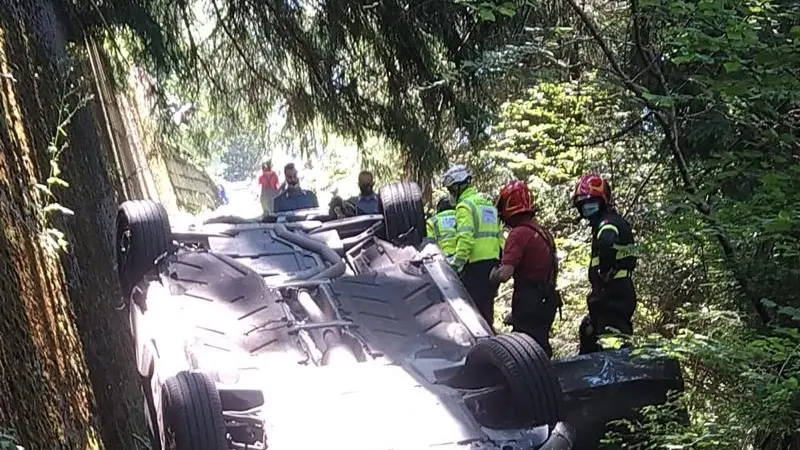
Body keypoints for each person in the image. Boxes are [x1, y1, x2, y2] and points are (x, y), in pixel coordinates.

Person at [489, 181, 561, 357]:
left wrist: (492, 276)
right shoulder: (543, 232)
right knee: (541, 346)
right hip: (548, 298)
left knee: (527, 354)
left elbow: (506, 274)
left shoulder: (519, 234)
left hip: (530, 300)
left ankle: (537, 383)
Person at [571, 173, 637, 354]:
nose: (586, 208)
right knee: (592, 334)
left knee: (613, 342)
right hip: (610, 294)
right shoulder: (613, 221)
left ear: (603, 201)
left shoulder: (608, 223)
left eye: (591, 202)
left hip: (613, 294)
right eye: (583, 204)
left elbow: (608, 241)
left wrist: (605, 270)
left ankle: (617, 378)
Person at [441, 164, 503, 329]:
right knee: (487, 315)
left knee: (472, 319)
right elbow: (500, 237)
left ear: (458, 186)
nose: (451, 194)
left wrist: (454, 266)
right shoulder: (488, 205)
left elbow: (466, 240)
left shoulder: (465, 206)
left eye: (451, 190)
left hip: (474, 268)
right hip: (492, 267)